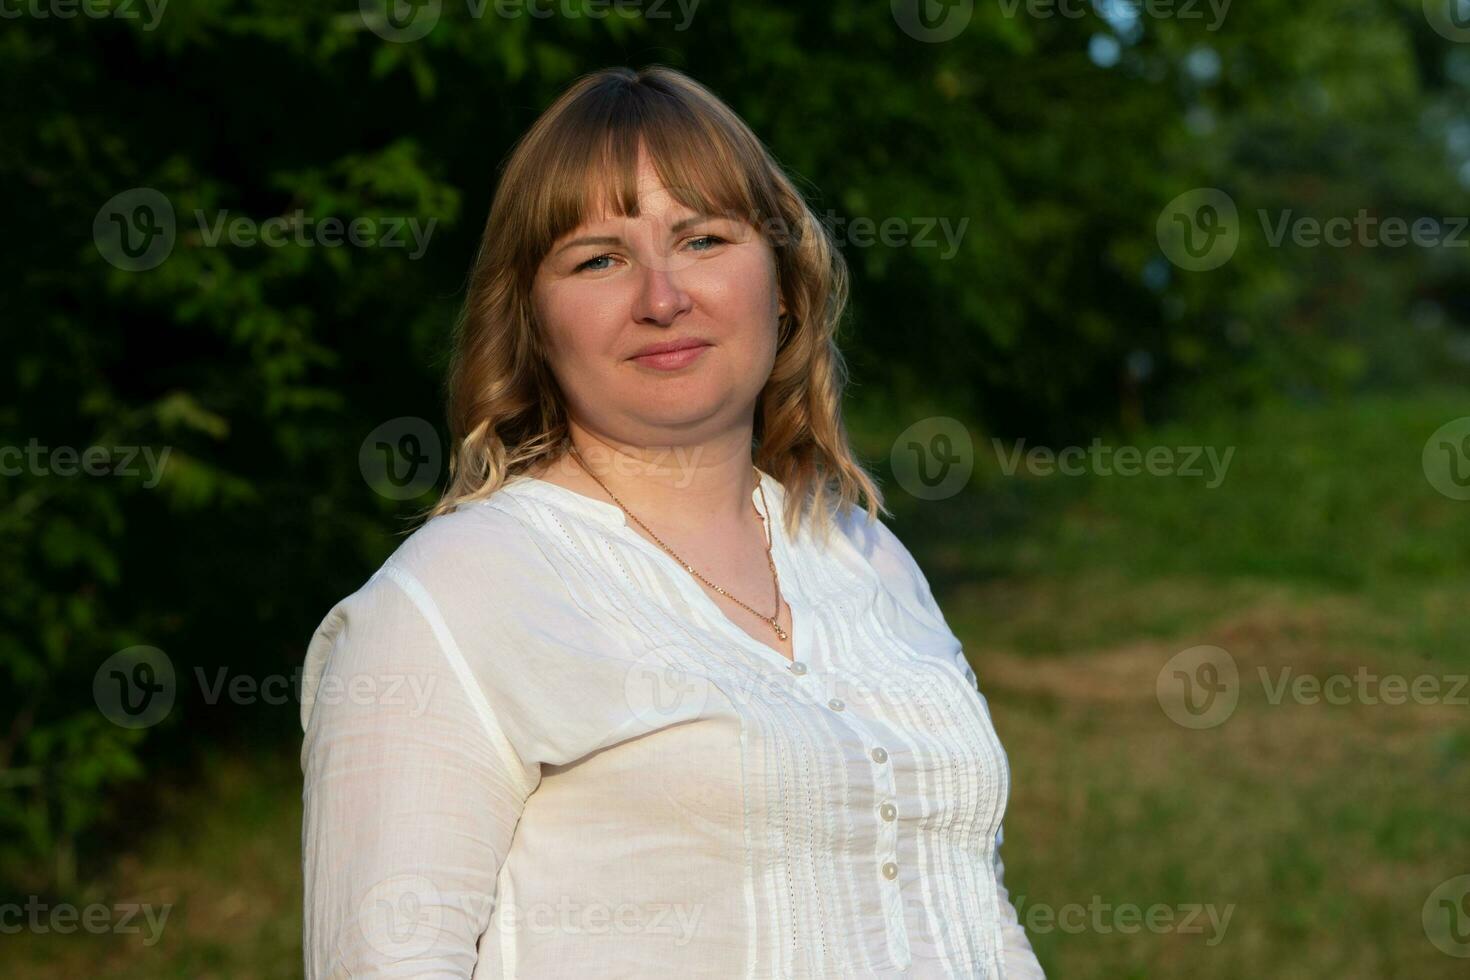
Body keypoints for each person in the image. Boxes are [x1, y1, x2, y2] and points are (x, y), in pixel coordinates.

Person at [300, 64, 1045, 978]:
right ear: (531, 321)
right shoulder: (454, 598)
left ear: (782, 284)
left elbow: (968, 903)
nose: (662, 298)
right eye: (599, 259)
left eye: (701, 240)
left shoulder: (863, 552)